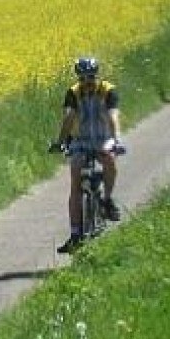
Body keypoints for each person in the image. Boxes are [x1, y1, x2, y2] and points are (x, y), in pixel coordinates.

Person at [52, 57, 124, 254]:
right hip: (81, 140)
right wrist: (60, 142)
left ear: (97, 76)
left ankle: (107, 199)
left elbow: (113, 117)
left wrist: (117, 140)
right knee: (75, 181)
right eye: (82, 78)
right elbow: (68, 117)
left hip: (104, 138)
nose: (87, 82)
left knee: (109, 157)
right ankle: (75, 234)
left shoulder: (107, 90)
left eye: (91, 77)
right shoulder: (73, 93)